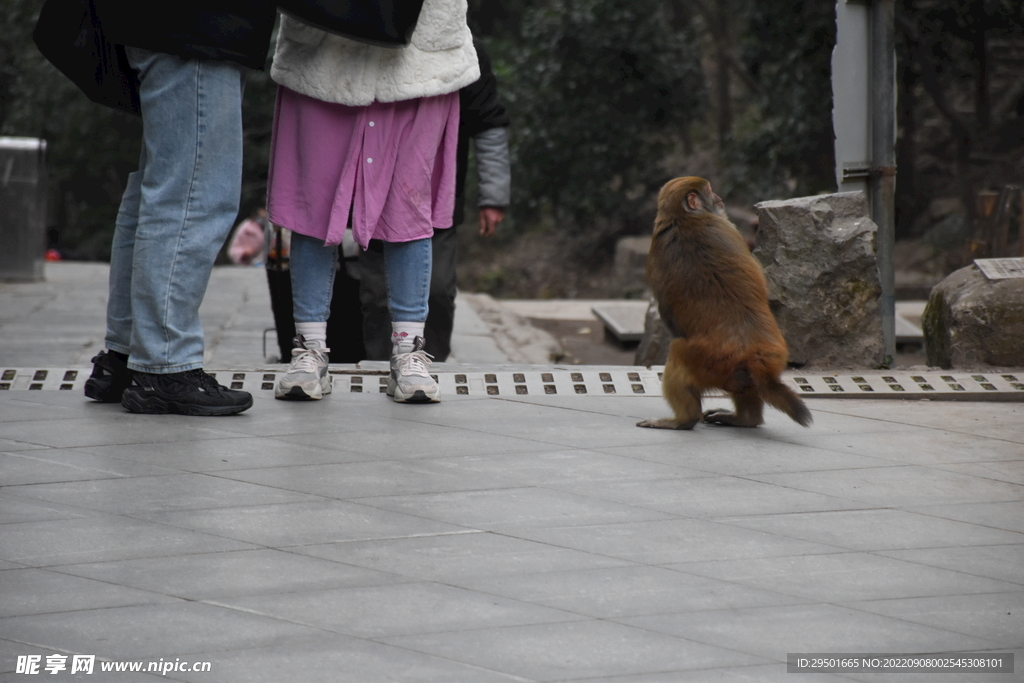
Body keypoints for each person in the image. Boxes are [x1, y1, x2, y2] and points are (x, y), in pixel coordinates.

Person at [267, 0, 480, 403]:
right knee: (312, 205)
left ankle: (408, 353)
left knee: (408, 208)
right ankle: (309, 349)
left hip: (421, 51)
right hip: (325, 43)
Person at [83, 0, 276, 416]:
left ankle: (127, 356)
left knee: (164, 184)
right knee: (193, 189)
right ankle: (164, 367)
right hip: (198, 23)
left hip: (164, 21)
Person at [354, 38, 511, 362]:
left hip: (437, 204)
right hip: (376, 199)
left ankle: (432, 365)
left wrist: (493, 198)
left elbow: (489, 124)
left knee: (438, 291)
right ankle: (379, 366)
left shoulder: (464, 49)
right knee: (378, 296)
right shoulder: (372, 41)